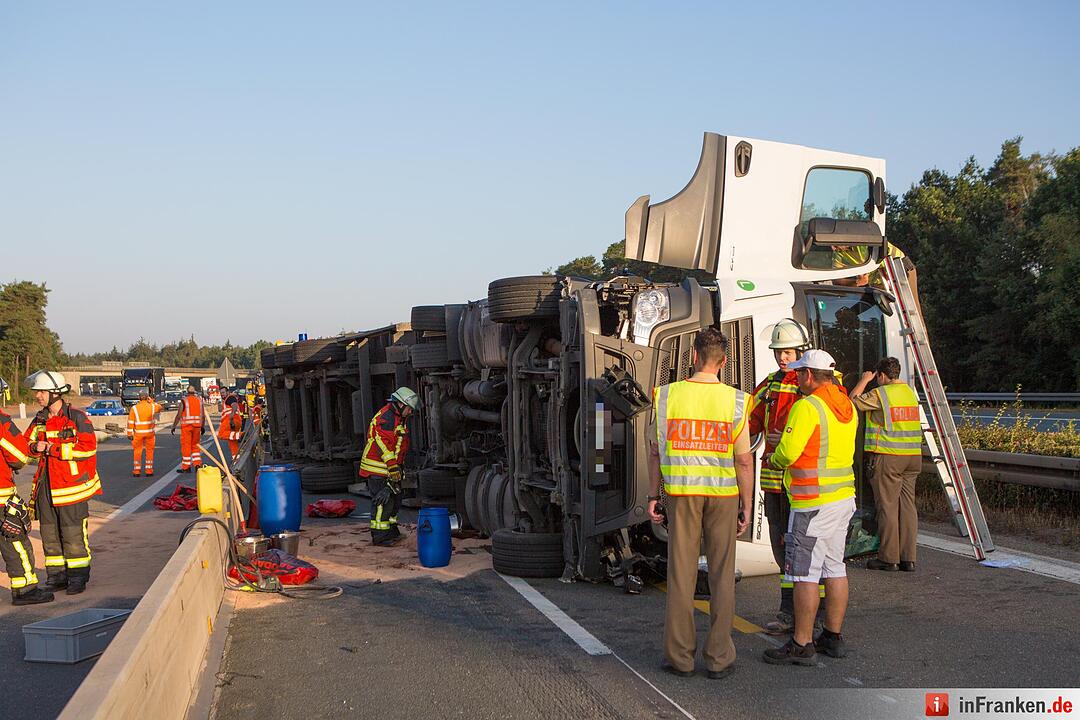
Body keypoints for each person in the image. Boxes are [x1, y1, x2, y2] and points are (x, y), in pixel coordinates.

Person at [646, 327, 754, 680]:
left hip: (681, 495)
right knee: (722, 575)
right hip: (723, 496)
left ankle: (680, 657)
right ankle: (719, 657)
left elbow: (654, 450)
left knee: (681, 575)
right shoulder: (736, 401)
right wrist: (746, 504)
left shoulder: (666, 396)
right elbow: (743, 461)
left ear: (693, 356)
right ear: (722, 362)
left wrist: (653, 495)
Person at [763, 350, 856, 666]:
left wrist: (773, 455)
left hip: (812, 503)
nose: (797, 377)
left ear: (810, 375)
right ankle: (833, 636)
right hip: (842, 498)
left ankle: (802, 642)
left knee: (803, 574)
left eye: (800, 373)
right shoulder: (846, 406)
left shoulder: (807, 406)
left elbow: (787, 453)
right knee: (835, 567)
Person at [748, 319, 827, 635]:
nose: (783, 357)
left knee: (806, 549)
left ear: (801, 351)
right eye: (779, 351)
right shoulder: (768, 386)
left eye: (788, 351)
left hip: (802, 481)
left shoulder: (811, 386)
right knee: (782, 548)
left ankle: (812, 615)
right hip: (774, 479)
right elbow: (749, 422)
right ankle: (787, 611)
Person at [23, 371, 100, 595]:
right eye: (37, 392)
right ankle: (56, 576)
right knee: (49, 533)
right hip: (46, 485)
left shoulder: (77, 417)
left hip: (71, 487)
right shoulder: (40, 419)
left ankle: (77, 578)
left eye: (42, 392)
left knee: (73, 534)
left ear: (55, 393)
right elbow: (27, 444)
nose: (37, 396)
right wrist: (33, 448)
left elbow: (88, 448)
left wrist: (52, 448)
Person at [850, 357, 922, 572]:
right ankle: (908, 558)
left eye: (876, 377)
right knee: (907, 507)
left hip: (888, 456)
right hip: (913, 456)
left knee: (888, 507)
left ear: (881, 375)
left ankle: (889, 558)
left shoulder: (881, 393)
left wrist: (864, 380)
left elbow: (852, 400)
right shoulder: (910, 392)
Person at [1, 406, 53, 605]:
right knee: (15, 542)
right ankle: (25, 590)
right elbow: (19, 457)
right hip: (1, 495)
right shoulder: (2, 422)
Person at [359, 387, 419, 546]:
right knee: (383, 503)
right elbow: (383, 444)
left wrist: (398, 468)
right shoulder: (387, 418)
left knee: (395, 500)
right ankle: (380, 536)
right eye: (409, 409)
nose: (410, 412)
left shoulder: (398, 417)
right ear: (400, 404)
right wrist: (392, 467)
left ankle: (391, 531)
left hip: (390, 468)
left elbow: (398, 446)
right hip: (378, 468)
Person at [127, 390, 162, 477]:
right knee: (149, 451)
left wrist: (129, 434)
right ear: (147, 398)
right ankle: (149, 471)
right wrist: (152, 401)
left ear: (139, 398)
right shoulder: (152, 406)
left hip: (138, 434)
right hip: (150, 434)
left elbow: (130, 422)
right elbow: (160, 407)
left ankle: (136, 471)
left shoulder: (134, 408)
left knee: (137, 452)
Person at [171, 385, 205, 473]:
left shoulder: (184, 401)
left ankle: (186, 467)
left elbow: (179, 415)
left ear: (187, 392)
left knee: (186, 446)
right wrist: (203, 426)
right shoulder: (199, 401)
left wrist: (174, 426)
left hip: (187, 427)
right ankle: (197, 464)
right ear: (194, 392)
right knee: (195, 446)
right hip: (197, 426)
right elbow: (203, 415)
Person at [218, 395, 244, 460]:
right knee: (232, 442)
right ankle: (236, 459)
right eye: (221, 393)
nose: (222, 394)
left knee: (221, 434)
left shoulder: (230, 398)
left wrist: (231, 416)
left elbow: (234, 405)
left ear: (227, 392)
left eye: (223, 392)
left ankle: (239, 435)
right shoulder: (225, 402)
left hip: (230, 420)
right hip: (235, 421)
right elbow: (220, 410)